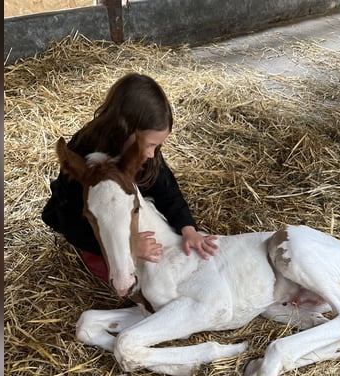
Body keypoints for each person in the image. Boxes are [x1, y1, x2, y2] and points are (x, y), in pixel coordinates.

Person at [41, 73, 218, 281]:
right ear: (124, 129)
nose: (152, 153)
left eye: (157, 146)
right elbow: (70, 221)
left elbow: (166, 190)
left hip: (127, 215)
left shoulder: (142, 153)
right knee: (128, 276)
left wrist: (188, 228)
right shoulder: (82, 156)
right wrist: (130, 244)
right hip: (91, 231)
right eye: (150, 145)